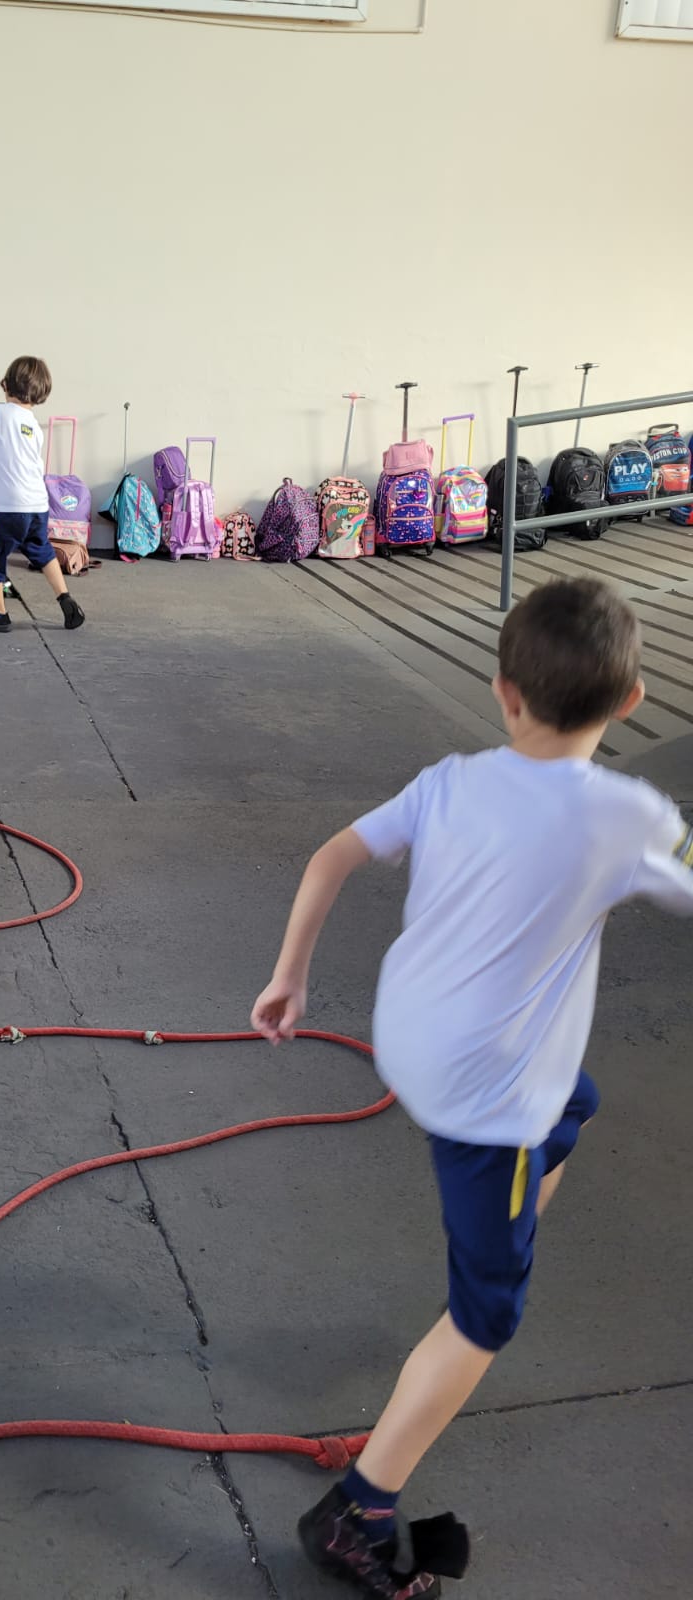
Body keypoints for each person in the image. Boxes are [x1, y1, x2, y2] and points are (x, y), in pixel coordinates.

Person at [249, 577, 693, 1598]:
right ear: (632, 702)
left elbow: (331, 855)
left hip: (410, 1042)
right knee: (488, 1317)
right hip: (486, 1104)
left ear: (503, 691)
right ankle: (358, 1510)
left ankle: (504, 1222)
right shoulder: (630, 815)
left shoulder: (448, 780)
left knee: (576, 1103)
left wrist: (290, 975)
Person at [0, 356, 84, 635]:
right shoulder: (34, 425)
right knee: (42, 550)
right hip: (37, 506)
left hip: (8, 509)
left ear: (6, 383)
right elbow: (19, 466)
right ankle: (65, 599)